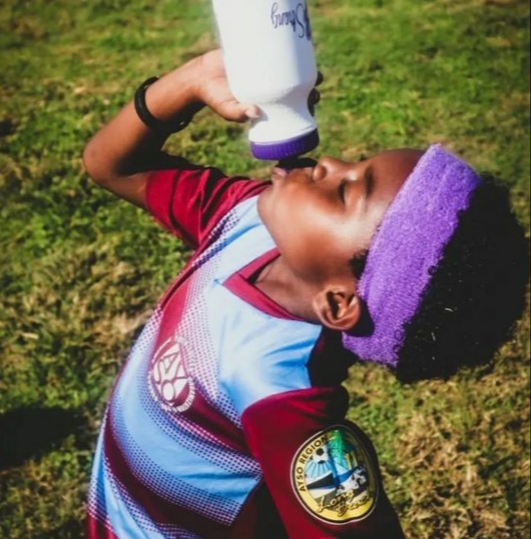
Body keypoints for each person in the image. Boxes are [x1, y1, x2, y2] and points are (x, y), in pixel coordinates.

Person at [82, 50, 528, 539]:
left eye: (345, 192)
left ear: (337, 303)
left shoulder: (282, 395)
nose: (329, 163)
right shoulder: (245, 219)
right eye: (355, 164)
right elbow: (113, 166)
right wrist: (193, 79)